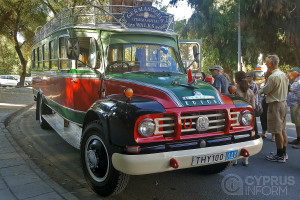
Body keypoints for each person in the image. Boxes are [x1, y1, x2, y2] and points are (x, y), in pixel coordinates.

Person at [263, 55, 289, 163]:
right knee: (282, 129)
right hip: (283, 103)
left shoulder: (273, 77)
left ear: (271, 64)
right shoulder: (283, 74)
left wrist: (266, 78)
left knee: (277, 131)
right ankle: (283, 153)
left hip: (275, 105)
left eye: (266, 62)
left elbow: (265, 90)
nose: (265, 64)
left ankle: (279, 155)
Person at [234, 71, 256, 166]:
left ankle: (234, 159)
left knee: (235, 138)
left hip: (236, 118)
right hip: (248, 119)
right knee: (246, 139)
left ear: (236, 79)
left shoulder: (234, 90)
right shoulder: (250, 91)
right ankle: (246, 160)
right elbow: (254, 107)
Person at [287, 67, 300, 149]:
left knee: (299, 123)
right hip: (293, 105)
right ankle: (298, 139)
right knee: (297, 123)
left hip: (297, 105)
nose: (289, 74)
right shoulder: (295, 81)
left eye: (291, 72)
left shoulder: (299, 81)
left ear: (296, 73)